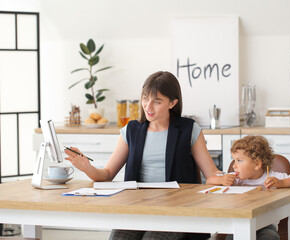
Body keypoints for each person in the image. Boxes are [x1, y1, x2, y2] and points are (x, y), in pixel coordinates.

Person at [65, 71, 221, 240]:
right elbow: (108, 174)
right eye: (145, 98)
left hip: (177, 211)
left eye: (157, 101)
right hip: (138, 210)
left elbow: (211, 174)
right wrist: (87, 167)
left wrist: (237, 173)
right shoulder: (131, 131)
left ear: (172, 103)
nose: (148, 106)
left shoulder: (189, 129)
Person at [206, 135, 290, 240]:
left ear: (257, 164)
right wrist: (221, 180)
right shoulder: (236, 179)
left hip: (266, 225)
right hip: (240, 223)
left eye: (239, 161)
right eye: (234, 160)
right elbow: (209, 180)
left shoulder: (272, 178)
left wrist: (281, 183)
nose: (234, 165)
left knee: (269, 237)